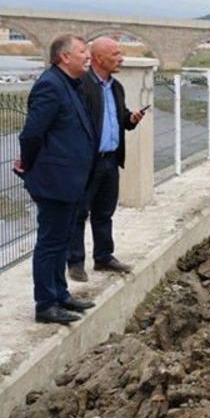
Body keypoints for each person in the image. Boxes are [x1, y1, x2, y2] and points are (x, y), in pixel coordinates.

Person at [14, 35, 96, 325]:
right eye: (83, 52)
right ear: (64, 57)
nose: (89, 56)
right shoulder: (50, 85)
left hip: (70, 179)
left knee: (61, 241)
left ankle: (60, 294)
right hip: (54, 180)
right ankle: (45, 304)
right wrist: (30, 165)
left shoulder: (70, 84)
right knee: (50, 243)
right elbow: (32, 134)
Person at [67, 37, 146, 282]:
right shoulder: (81, 85)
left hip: (111, 160)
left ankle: (103, 257)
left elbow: (119, 117)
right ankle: (76, 262)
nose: (121, 58)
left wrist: (130, 119)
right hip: (88, 162)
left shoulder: (116, 87)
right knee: (79, 212)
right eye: (115, 54)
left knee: (104, 212)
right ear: (99, 58)